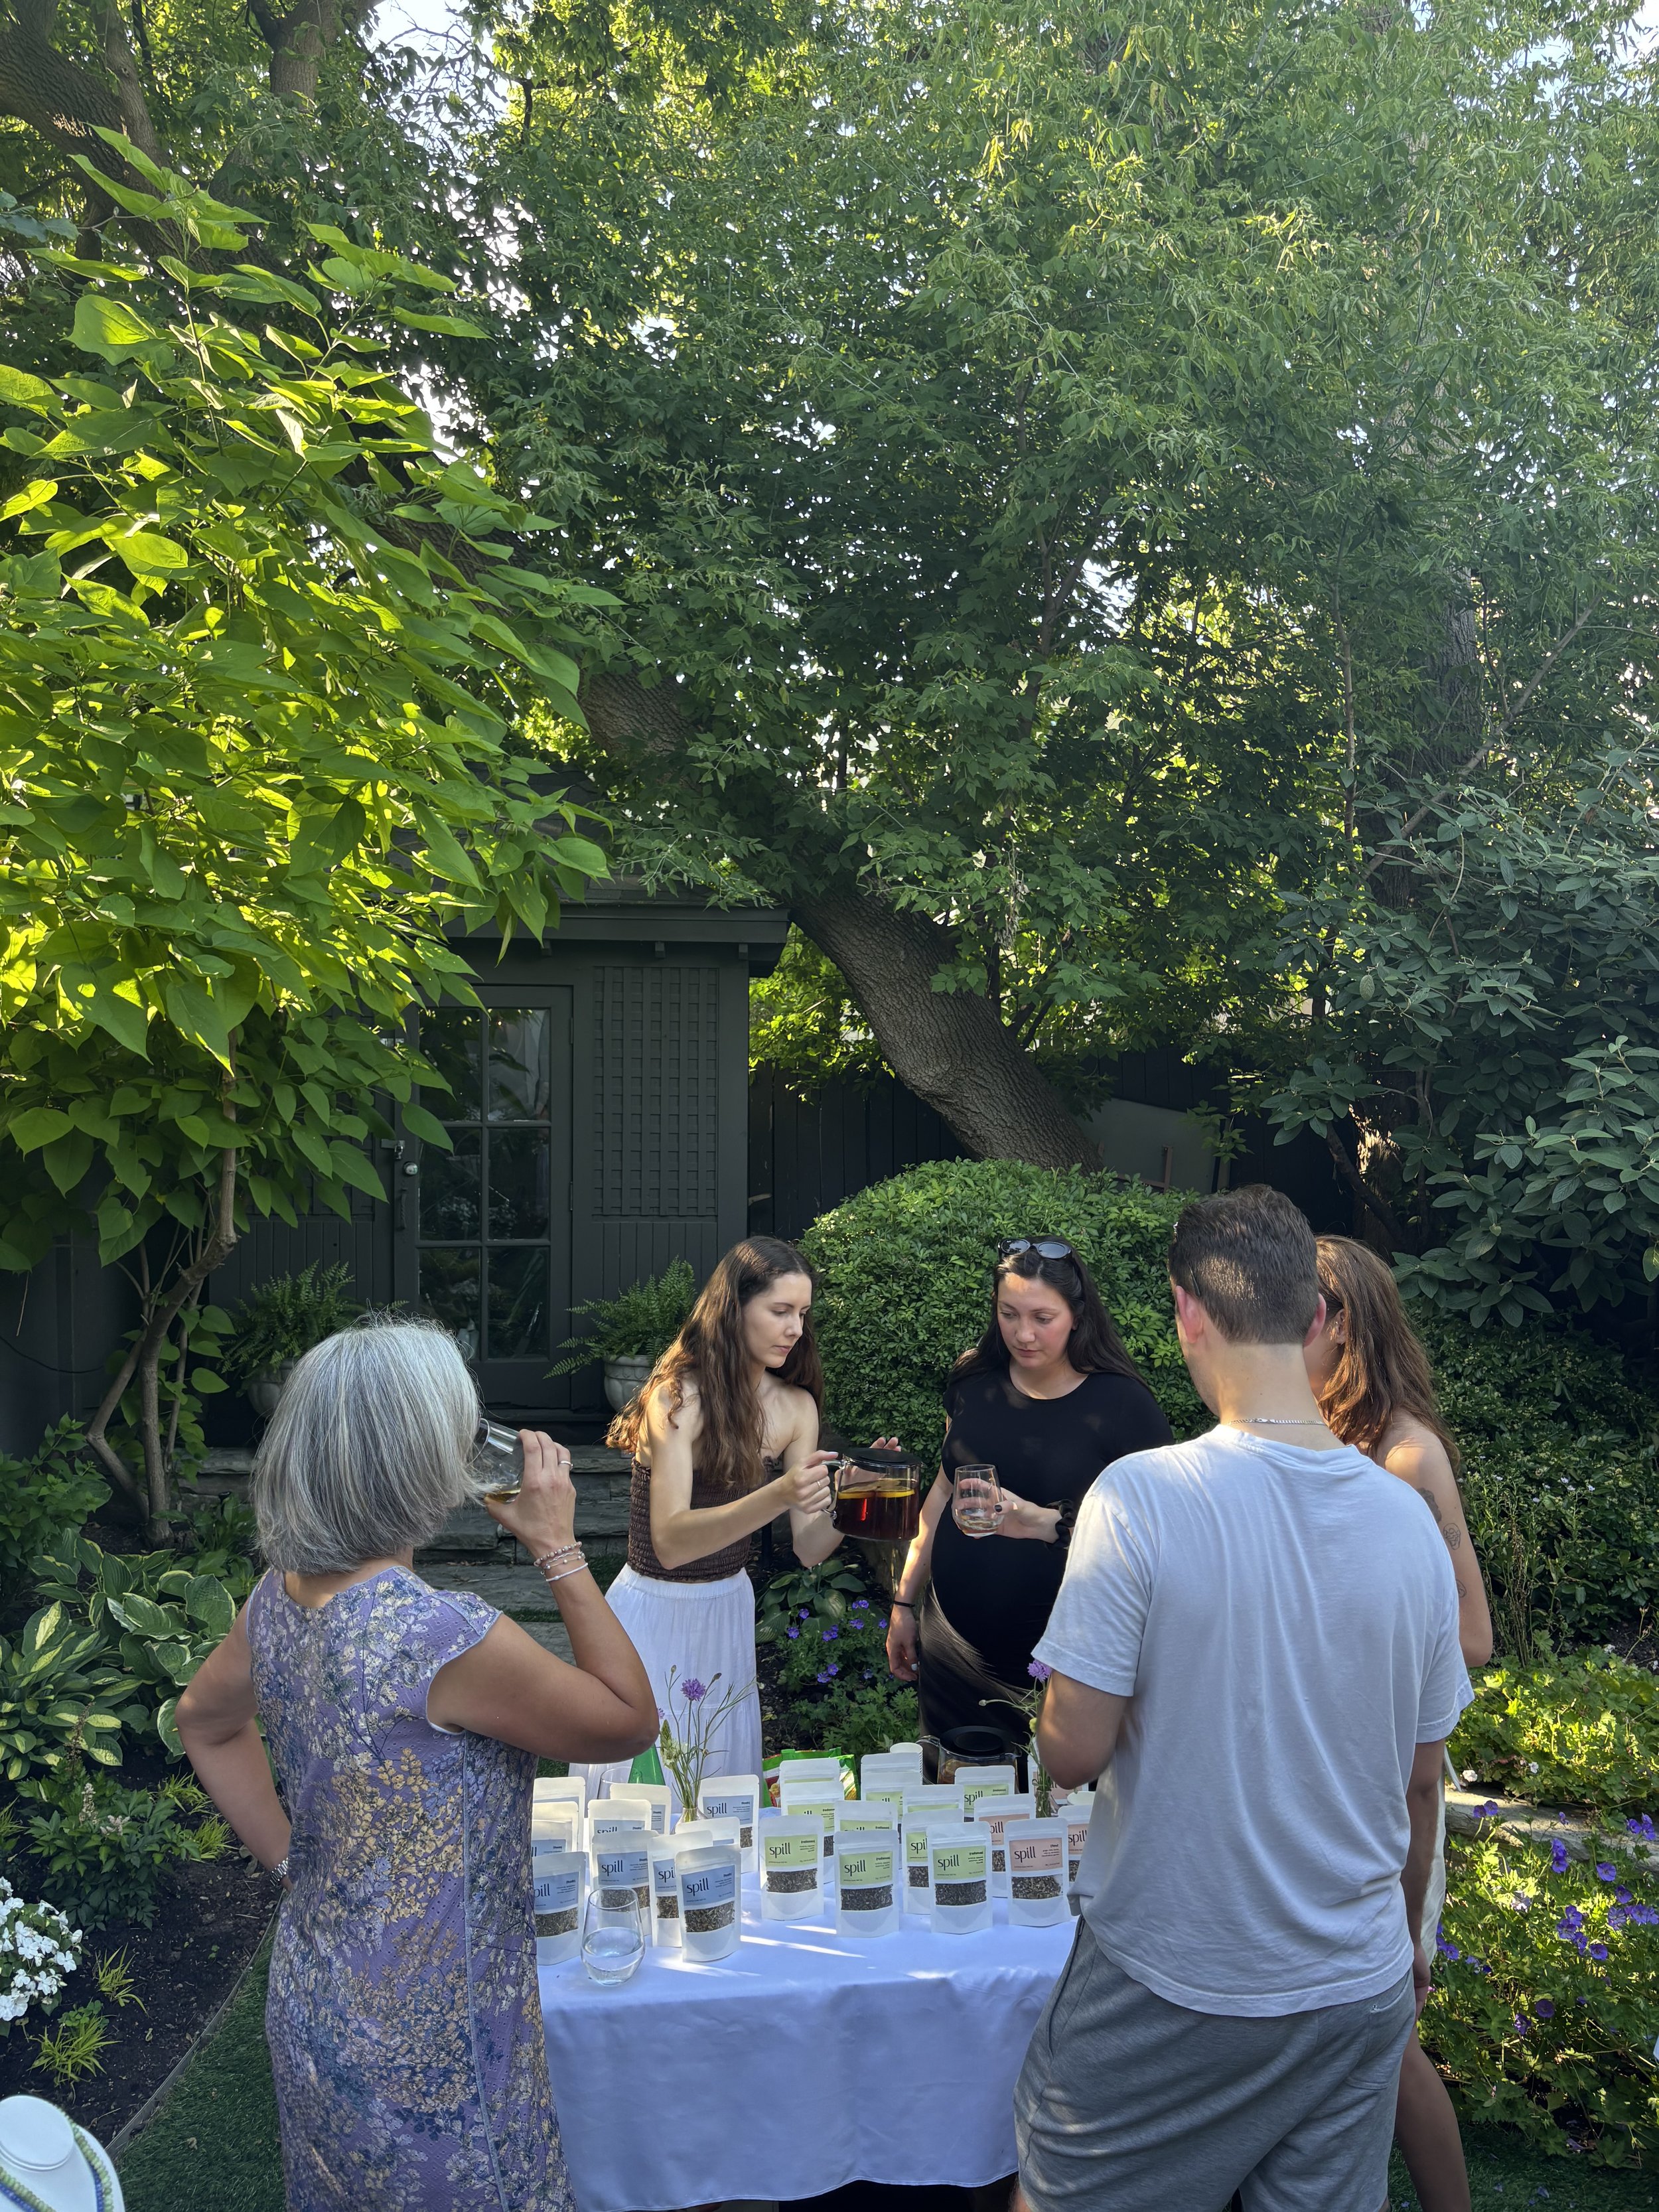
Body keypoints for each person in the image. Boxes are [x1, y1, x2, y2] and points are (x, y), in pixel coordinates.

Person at [1014, 1187, 1471, 2212]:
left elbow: (1071, 1753)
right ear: (1314, 1315)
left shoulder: (1140, 1496)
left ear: (1187, 1313)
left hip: (1180, 1975)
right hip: (1356, 1982)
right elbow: (1421, 1783)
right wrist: (1401, 1954)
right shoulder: (1409, 1520)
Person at [175, 1318, 658, 2212]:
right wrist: (558, 1548)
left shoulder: (274, 1603)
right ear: (415, 1460)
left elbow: (203, 1723)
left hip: (317, 2001)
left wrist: (290, 1861)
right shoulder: (440, 1634)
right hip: (433, 2041)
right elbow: (629, 1719)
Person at [1307, 1235, 1494, 2212]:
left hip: (1390, 1767)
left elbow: (1473, 1634)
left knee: (1391, 2037)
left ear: (1342, 1323)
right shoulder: (1305, 1434)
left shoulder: (1407, 1453)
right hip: (1316, 1761)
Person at [578, 1236, 839, 1805]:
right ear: (734, 1308)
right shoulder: (676, 1398)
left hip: (727, 1606)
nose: (795, 1328)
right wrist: (776, 1494)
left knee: (720, 1796)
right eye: (780, 1311)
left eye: (802, 1314)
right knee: (642, 1794)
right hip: (654, 1609)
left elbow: (812, 1546)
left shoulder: (796, 1407)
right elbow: (670, 1542)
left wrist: (861, 1501)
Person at [885, 1236, 1173, 1753]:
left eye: (1043, 1317)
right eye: (1009, 1313)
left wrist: (1043, 1518)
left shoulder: (1125, 1406)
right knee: (956, 1811)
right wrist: (905, 1601)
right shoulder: (973, 1381)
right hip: (952, 1647)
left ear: (1078, 1316)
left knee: (1049, 1821)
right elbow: (942, 1495)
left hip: (1064, 1665)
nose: (1023, 1333)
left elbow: (1157, 1538)